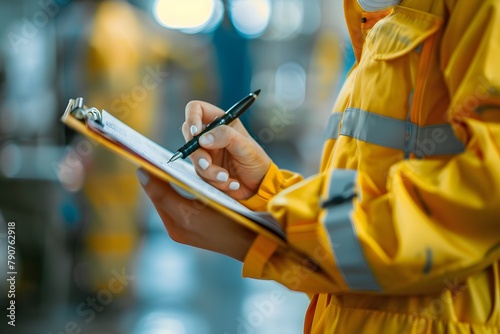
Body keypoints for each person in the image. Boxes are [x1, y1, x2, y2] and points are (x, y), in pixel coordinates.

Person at [135, 0, 500, 332]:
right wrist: (266, 189)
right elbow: (366, 195)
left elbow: (483, 198)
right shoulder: (380, 19)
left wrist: (262, 239)